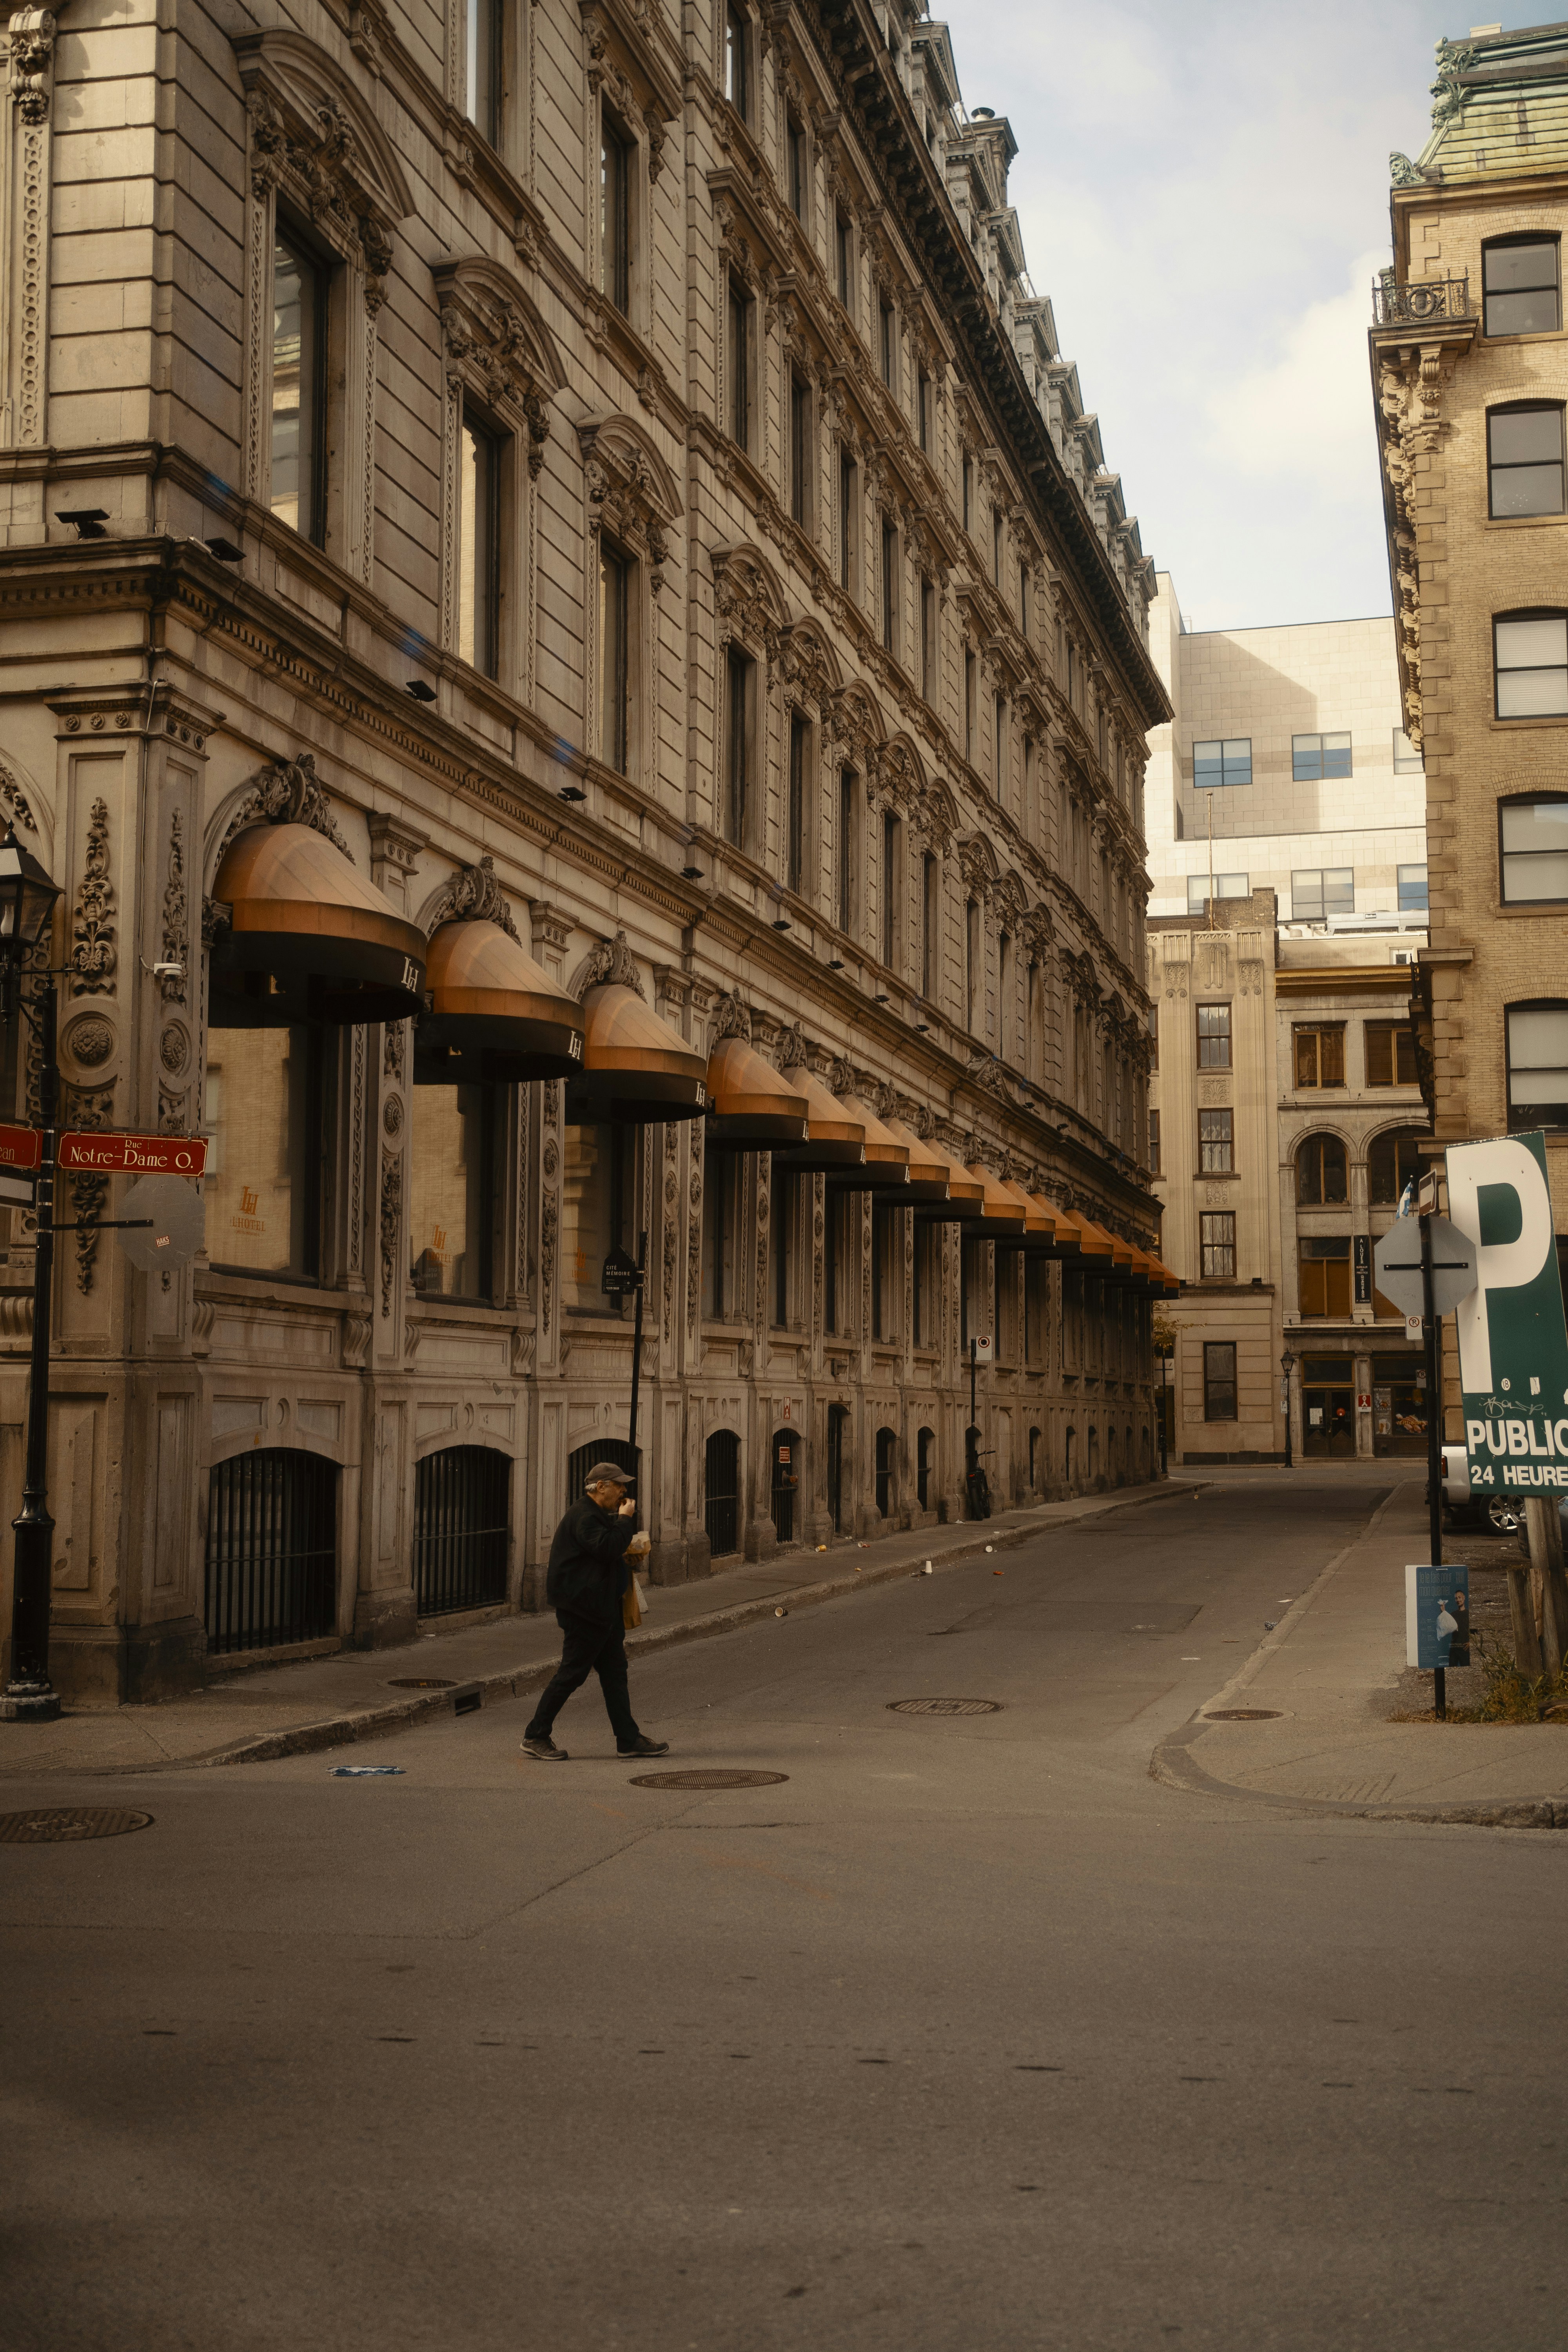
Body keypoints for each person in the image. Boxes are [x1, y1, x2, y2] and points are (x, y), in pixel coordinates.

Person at [521, 1463, 670, 1762]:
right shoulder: (585, 1516)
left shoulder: (596, 1515)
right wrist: (626, 1520)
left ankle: (628, 1740)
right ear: (601, 1487)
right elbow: (605, 1548)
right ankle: (536, 1734)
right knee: (572, 1673)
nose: (624, 1492)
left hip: (602, 1609)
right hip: (584, 1611)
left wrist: (626, 1552)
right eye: (619, 1486)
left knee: (615, 1674)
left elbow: (606, 1553)